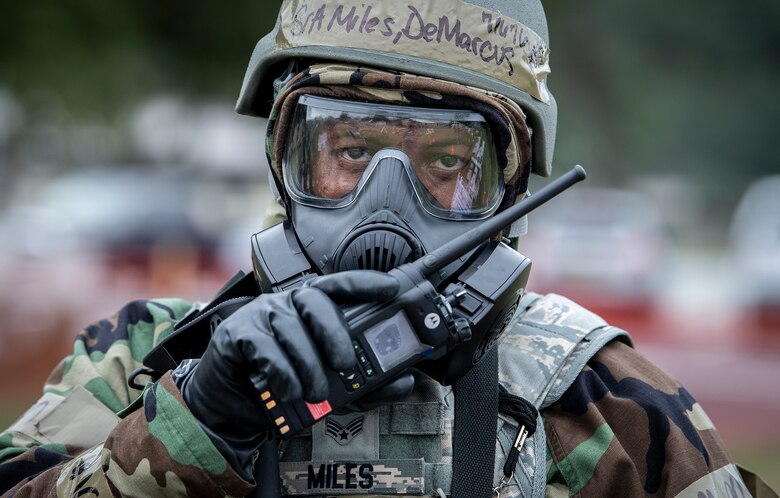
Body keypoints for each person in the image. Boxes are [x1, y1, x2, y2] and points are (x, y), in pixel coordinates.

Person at [0, 0, 767, 497]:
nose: (385, 206)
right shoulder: (140, 358)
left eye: (444, 162)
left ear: (507, 190)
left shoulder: (611, 405)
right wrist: (196, 422)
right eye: (350, 147)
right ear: (284, 159)